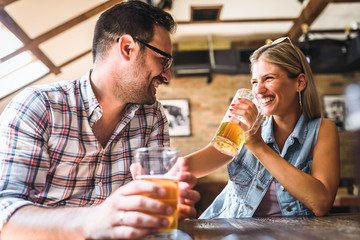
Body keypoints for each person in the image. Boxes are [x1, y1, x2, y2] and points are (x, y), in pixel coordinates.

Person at [0, 1, 199, 239]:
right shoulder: (39, 106)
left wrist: (165, 204)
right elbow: (5, 215)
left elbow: (150, 203)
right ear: (127, 48)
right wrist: (93, 220)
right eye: (164, 60)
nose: (166, 75)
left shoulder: (152, 116)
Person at [183, 37, 340, 218]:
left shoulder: (322, 130)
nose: (258, 90)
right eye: (255, 81)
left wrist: (257, 145)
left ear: (300, 83)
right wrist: (158, 166)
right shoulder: (245, 126)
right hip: (229, 229)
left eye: (268, 78)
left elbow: (321, 203)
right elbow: (201, 161)